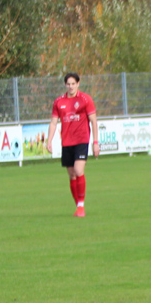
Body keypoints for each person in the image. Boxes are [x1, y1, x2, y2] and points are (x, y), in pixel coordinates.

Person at [47, 73, 100, 218]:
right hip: (67, 142)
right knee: (71, 175)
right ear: (65, 85)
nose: (70, 86)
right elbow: (53, 122)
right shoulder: (58, 102)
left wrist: (95, 142)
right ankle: (78, 206)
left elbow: (94, 121)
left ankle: (81, 206)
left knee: (78, 170)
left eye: (73, 83)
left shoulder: (85, 99)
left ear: (78, 83)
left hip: (81, 140)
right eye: (68, 84)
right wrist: (49, 140)